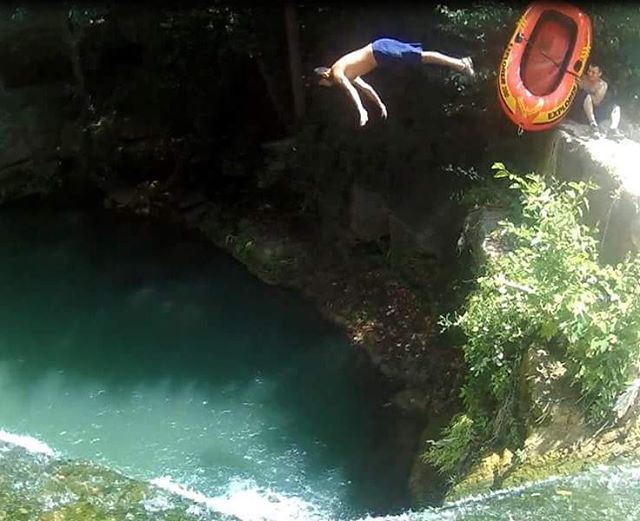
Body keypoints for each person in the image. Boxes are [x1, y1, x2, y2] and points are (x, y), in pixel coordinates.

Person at [314, 38, 475, 127]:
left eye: (322, 84)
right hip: (380, 50)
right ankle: (460, 64)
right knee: (420, 58)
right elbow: (365, 88)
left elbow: (351, 91)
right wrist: (380, 105)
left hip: (379, 51)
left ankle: (461, 63)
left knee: (421, 57)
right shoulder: (347, 72)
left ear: (323, 77)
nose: (325, 87)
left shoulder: (336, 73)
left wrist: (361, 110)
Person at [572, 63, 623, 139]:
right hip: (581, 112)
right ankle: (593, 125)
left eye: (593, 72)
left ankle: (613, 129)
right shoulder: (583, 78)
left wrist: (583, 88)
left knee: (616, 107)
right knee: (586, 96)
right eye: (589, 71)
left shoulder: (602, 85)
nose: (590, 74)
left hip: (595, 111)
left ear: (599, 74)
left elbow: (596, 102)